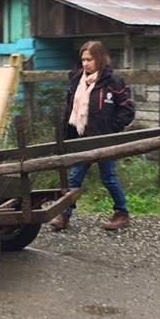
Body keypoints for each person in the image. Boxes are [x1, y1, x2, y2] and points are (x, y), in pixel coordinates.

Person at [50, 40, 135, 231]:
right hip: (83, 138)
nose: (86, 63)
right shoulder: (76, 80)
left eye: (89, 59)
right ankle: (64, 215)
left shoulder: (113, 82)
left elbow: (127, 110)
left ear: (99, 59)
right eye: (83, 59)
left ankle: (122, 214)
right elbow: (69, 108)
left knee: (109, 177)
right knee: (74, 179)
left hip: (104, 139)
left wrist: (111, 130)